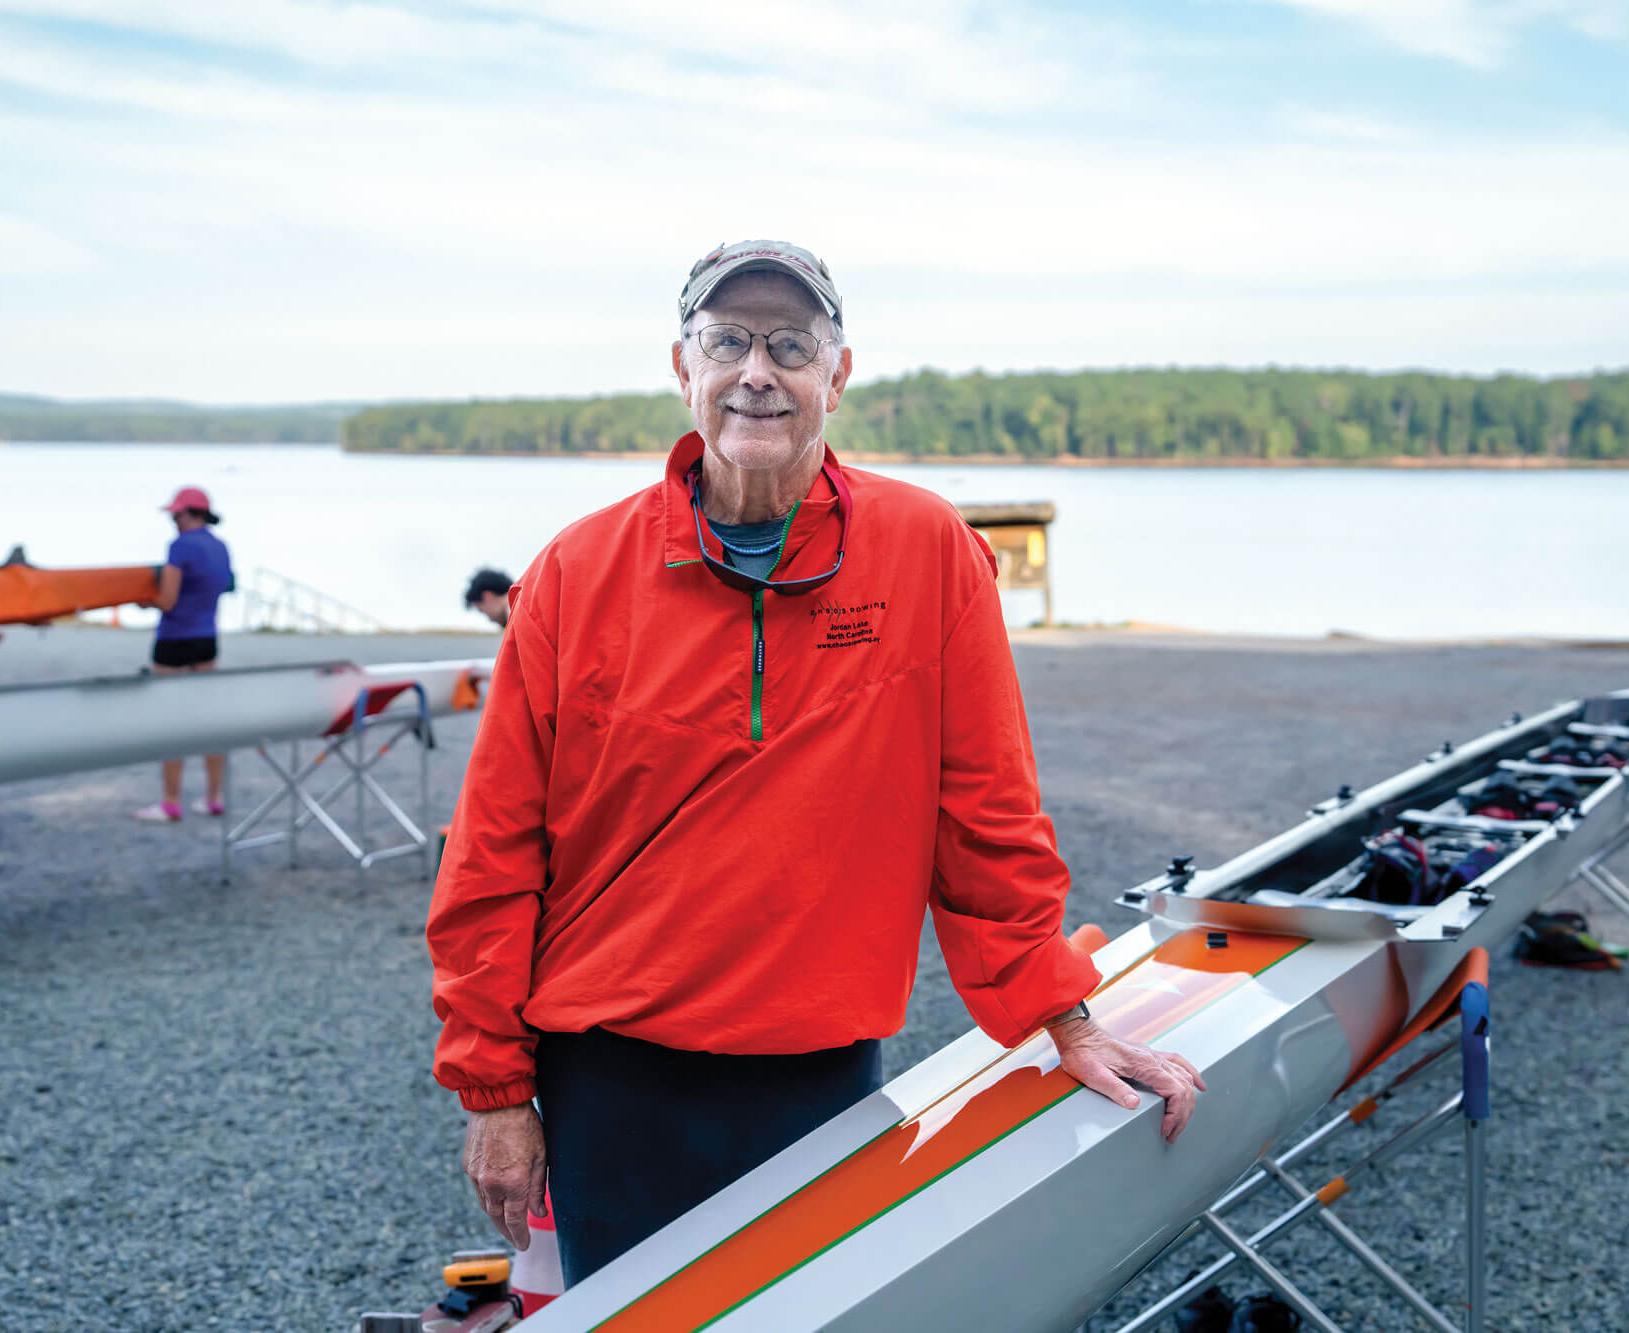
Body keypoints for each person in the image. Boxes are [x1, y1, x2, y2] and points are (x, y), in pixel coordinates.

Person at [428, 240, 1202, 1287]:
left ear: (836, 374)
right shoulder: (574, 571)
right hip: (608, 1073)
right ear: (681, 365)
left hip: (816, 1070)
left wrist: (1060, 1015)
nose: (757, 370)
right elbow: (493, 848)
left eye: (789, 344)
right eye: (728, 341)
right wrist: (493, 1089)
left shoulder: (926, 550)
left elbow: (985, 814)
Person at [133, 485, 234, 823]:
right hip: (207, 638)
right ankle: (214, 797)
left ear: (192, 514)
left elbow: (167, 600)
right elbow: (226, 586)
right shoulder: (221, 547)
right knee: (211, 719)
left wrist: (143, 599)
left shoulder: (180, 546)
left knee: (172, 721)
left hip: (174, 640)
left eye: (176, 515)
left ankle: (170, 802)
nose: (173, 521)